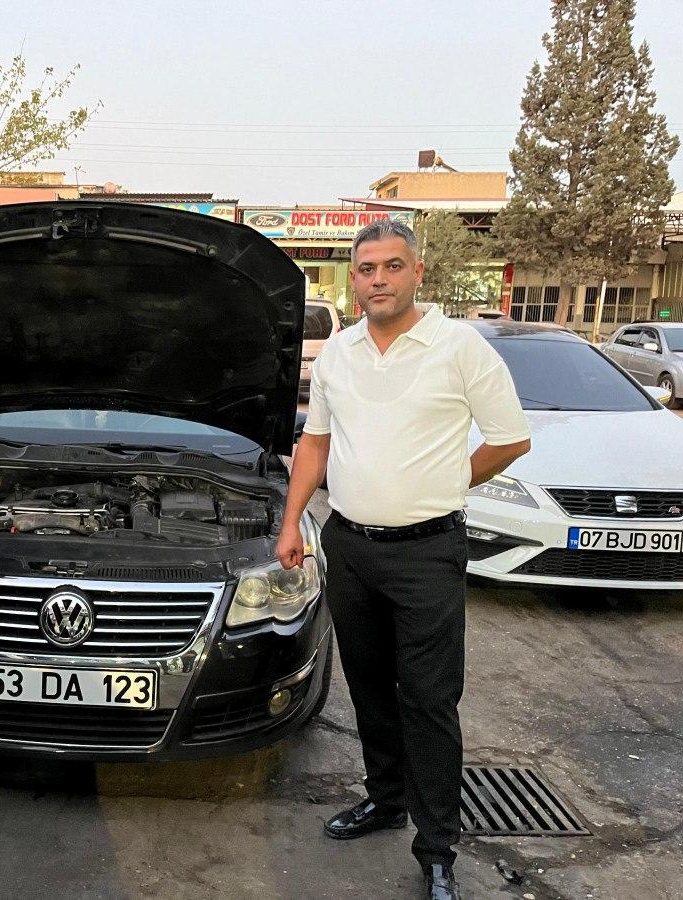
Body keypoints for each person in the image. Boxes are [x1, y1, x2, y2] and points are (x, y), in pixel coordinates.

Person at [276, 219, 530, 900]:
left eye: (392, 266)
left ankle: (437, 848)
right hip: (350, 546)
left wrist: (447, 480)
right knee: (369, 687)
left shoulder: (459, 347)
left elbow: (511, 438)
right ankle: (385, 799)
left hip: (428, 553)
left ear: (418, 272)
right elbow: (315, 444)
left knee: (429, 699)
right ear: (353, 280)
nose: (378, 280)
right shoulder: (339, 352)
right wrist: (292, 521)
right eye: (366, 269)